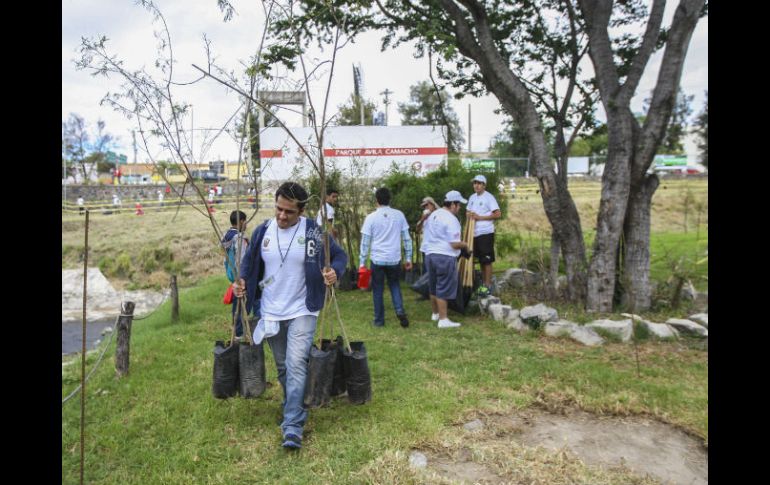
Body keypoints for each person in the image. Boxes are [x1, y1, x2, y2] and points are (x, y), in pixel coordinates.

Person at [233, 182, 347, 450]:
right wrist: (241, 281)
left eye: (289, 212)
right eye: (278, 209)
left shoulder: (313, 232)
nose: (282, 216)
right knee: (284, 366)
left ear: (302, 210)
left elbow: (339, 257)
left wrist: (334, 272)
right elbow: (249, 264)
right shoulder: (263, 231)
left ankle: (293, 423)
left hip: (303, 308)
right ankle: (293, 404)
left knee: (296, 363)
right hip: (271, 311)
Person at [358, 187, 413, 328]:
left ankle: (379, 321)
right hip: (394, 259)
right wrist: (408, 258)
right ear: (390, 199)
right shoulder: (399, 215)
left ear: (376, 200)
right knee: (395, 285)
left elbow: (365, 242)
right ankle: (400, 311)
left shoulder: (371, 218)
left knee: (378, 290)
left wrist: (362, 262)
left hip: (377, 259)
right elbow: (407, 239)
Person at [423, 190, 469, 328]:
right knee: (443, 286)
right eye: (459, 204)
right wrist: (466, 245)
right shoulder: (451, 219)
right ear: (453, 204)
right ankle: (443, 320)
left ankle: (435, 313)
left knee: (433, 286)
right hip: (444, 256)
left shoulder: (434, 215)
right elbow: (454, 243)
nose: (459, 207)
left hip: (430, 255)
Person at [467, 175, 502, 297]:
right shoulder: (472, 197)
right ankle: (483, 285)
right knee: (481, 260)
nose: (476, 185)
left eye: (479, 183)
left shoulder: (489, 197)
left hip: (485, 233)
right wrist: (469, 214)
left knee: (487, 260)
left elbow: (497, 214)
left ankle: (488, 286)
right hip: (474, 233)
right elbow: (468, 211)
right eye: (475, 183)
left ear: (484, 185)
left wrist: (480, 217)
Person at [222, 210, 249, 338]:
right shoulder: (239, 238)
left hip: (231, 273)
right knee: (241, 301)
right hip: (240, 275)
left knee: (237, 302)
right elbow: (242, 258)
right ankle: (239, 332)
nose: (246, 224)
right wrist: (243, 275)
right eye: (246, 221)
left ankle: (237, 329)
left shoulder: (226, 235)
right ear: (242, 221)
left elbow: (225, 258)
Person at [415, 196, 438, 274]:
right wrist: (422, 219)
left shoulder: (439, 214)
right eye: (424, 206)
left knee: (434, 273)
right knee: (426, 274)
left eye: (427, 205)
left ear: (432, 204)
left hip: (436, 248)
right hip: (426, 248)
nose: (425, 208)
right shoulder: (425, 216)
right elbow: (417, 230)